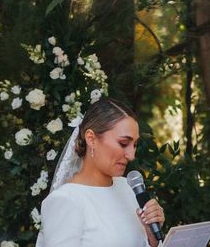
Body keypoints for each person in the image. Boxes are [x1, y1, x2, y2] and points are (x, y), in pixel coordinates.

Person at [37, 93, 165, 247]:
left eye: (135, 145)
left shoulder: (127, 187)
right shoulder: (65, 200)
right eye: (124, 143)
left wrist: (151, 237)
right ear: (91, 139)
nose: (131, 155)